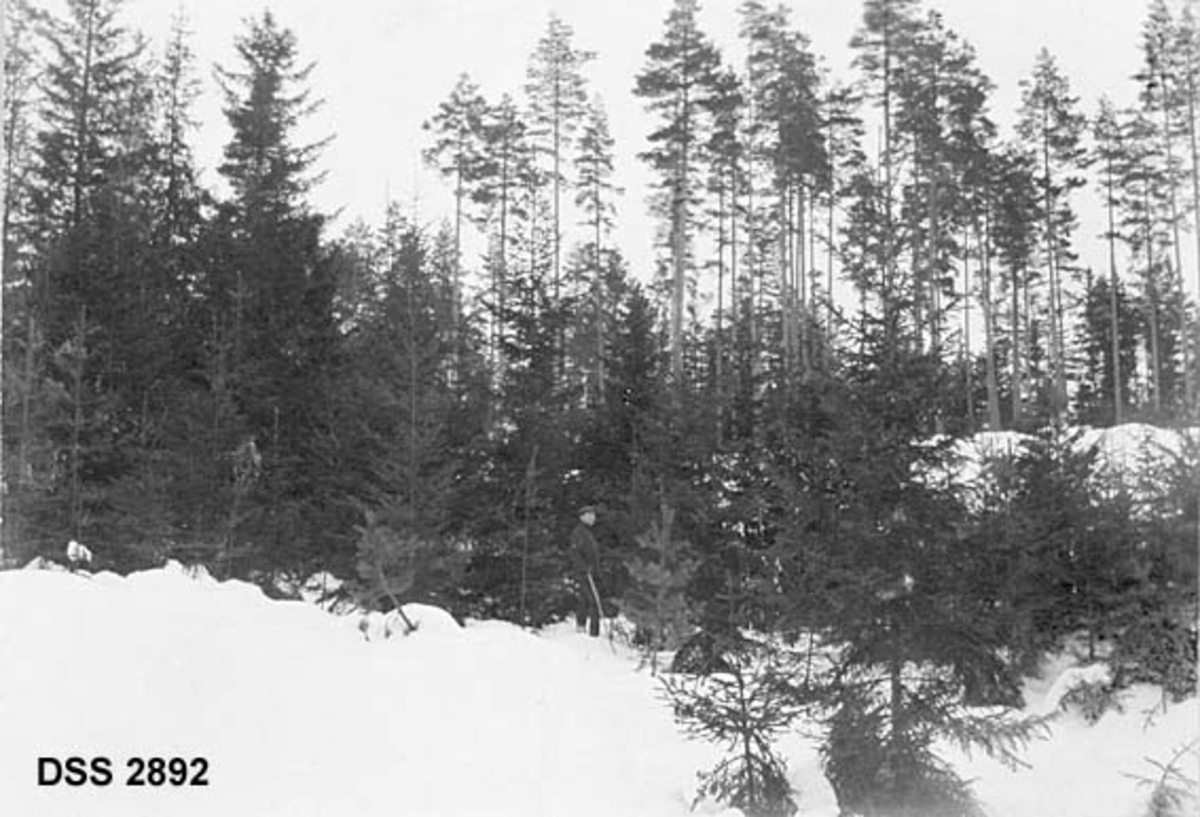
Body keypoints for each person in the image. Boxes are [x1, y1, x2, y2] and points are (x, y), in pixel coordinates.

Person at [569, 505, 603, 637]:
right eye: (589, 515)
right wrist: (584, 568)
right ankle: (594, 633)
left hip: (591, 572)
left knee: (584, 599)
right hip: (584, 572)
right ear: (582, 517)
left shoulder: (588, 533)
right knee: (594, 601)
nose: (593, 518)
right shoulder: (579, 532)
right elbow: (575, 553)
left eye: (593, 515)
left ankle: (581, 626)